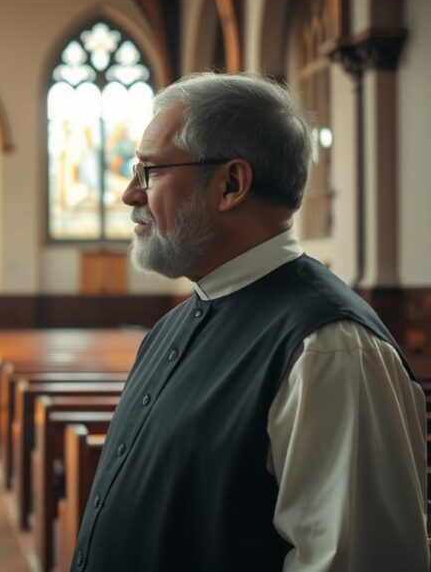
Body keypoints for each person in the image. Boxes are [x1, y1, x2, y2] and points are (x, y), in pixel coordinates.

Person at [70, 73, 428, 571]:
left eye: (149, 171)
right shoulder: (172, 327)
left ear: (231, 184)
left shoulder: (328, 348)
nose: (131, 194)